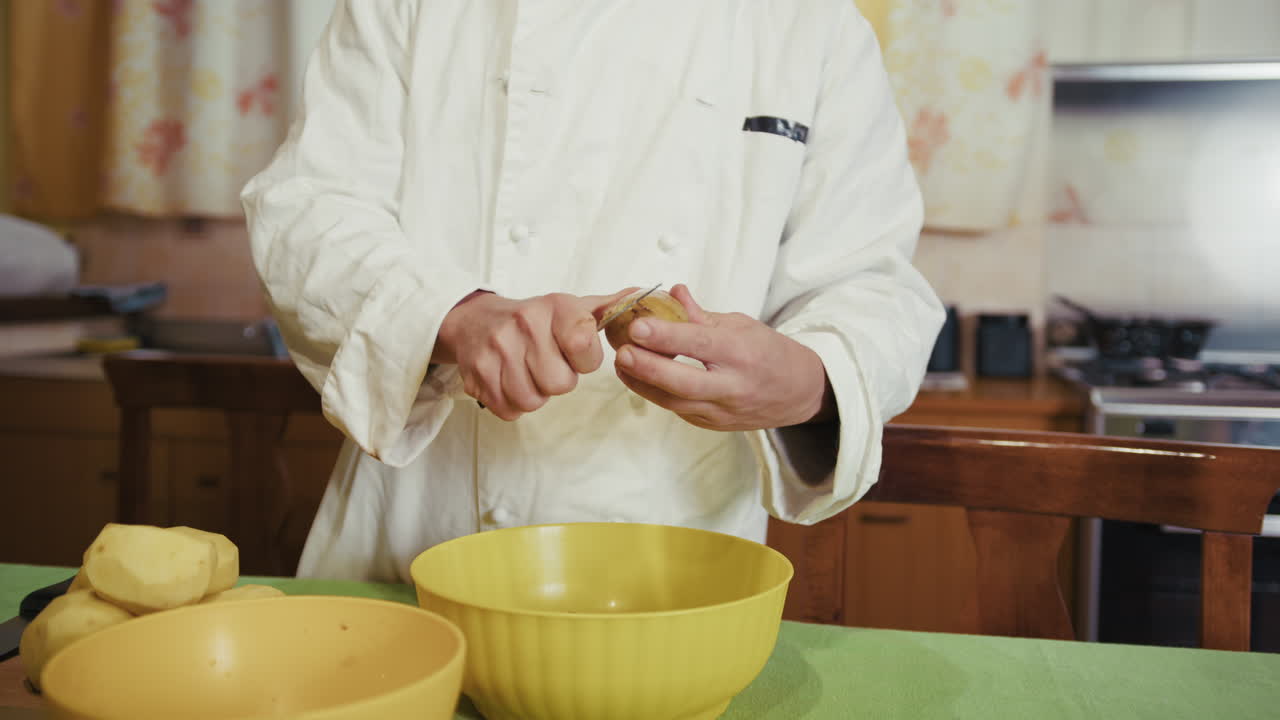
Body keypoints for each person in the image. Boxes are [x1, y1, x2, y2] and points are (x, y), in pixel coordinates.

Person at [241, 0, 945, 582]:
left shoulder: (814, 27)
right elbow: (306, 214)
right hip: (418, 541)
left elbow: (873, 283)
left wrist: (809, 379)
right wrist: (454, 316)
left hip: (677, 549)